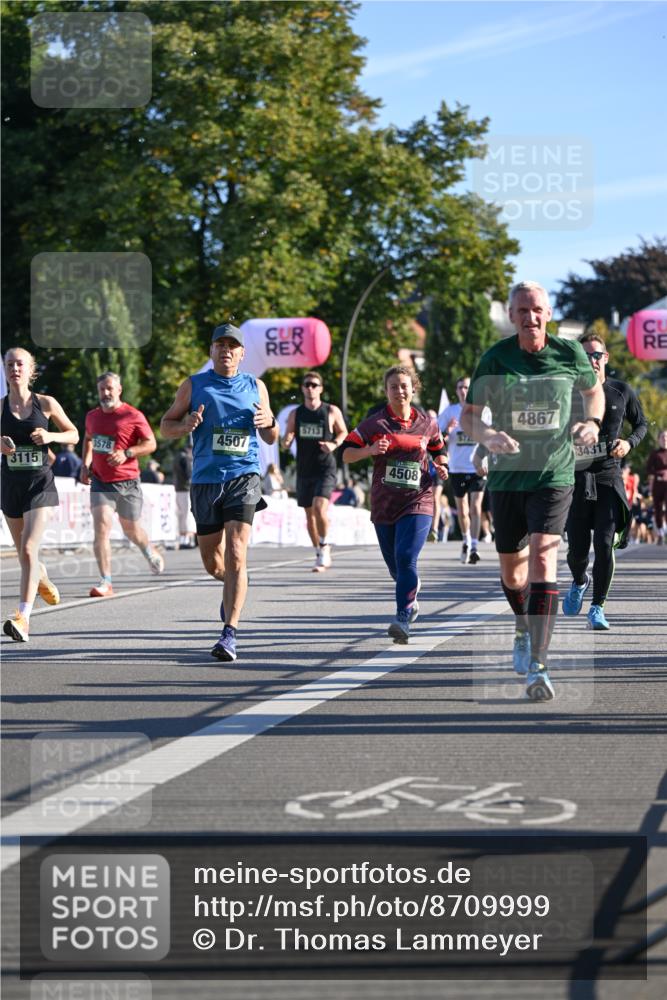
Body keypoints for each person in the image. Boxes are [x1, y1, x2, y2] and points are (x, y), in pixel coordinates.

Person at [461, 281, 604, 701]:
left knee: (544, 554)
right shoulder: (495, 358)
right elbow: (470, 416)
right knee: (512, 571)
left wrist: (592, 423)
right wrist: (487, 436)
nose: (531, 317)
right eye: (522, 310)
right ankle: (522, 626)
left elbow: (593, 392)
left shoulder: (569, 353)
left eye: (537, 309)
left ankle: (540, 664)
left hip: (554, 473)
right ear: (511, 315)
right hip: (507, 477)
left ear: (549, 312)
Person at [160, 322, 279, 661]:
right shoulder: (194, 386)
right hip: (205, 480)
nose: (226, 350)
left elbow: (271, 435)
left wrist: (268, 424)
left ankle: (230, 632)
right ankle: (232, 587)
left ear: (242, 354)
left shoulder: (257, 386)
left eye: (232, 346)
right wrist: (184, 426)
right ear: (211, 351)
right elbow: (166, 425)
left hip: (243, 477)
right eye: (219, 344)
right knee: (214, 563)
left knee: (237, 553)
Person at [342, 365, 448, 643]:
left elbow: (438, 449)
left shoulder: (428, 423)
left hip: (418, 500)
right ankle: (410, 590)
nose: (399, 391)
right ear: (386, 391)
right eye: (393, 387)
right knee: (396, 567)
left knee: (405, 558)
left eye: (404, 386)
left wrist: (443, 466)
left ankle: (403, 617)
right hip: (384, 504)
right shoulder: (375, 424)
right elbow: (346, 453)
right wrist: (369, 450)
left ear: (413, 388)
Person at [562, 334, 647, 629]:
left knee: (604, 543)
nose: (592, 361)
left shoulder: (621, 391)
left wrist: (629, 444)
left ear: (606, 358)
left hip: (609, 476)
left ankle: (597, 607)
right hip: (577, 477)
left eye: (596, 355)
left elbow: (642, 423)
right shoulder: (570, 394)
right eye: (585, 356)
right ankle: (578, 580)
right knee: (577, 550)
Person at [1, 347, 79, 641]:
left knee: (30, 548)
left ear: (30, 369)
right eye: (9, 364)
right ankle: (42, 577)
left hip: (39, 486)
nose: (14, 368)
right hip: (10, 486)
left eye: (20, 364)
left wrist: (51, 436)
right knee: (25, 553)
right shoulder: (0, 407)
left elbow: (73, 433)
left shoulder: (45, 403)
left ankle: (23, 618)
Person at [81, 371, 165, 598]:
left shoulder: (132, 415)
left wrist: (127, 452)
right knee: (101, 529)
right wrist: (84, 465)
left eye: (110, 388)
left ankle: (148, 550)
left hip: (128, 481)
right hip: (101, 481)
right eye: (102, 389)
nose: (106, 393)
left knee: (131, 529)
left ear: (119, 390)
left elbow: (151, 444)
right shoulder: (92, 416)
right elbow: (88, 440)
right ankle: (106, 581)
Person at [282, 371, 348, 572]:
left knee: (320, 507)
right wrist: (286, 441)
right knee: (309, 516)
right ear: (302, 388)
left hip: (325, 468)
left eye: (314, 385)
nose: (310, 388)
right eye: (307, 384)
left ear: (321, 388)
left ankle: (325, 545)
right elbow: (289, 434)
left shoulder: (330, 411)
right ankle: (319, 551)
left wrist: (334, 444)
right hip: (304, 469)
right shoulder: (296, 413)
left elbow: (343, 432)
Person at [439, 377, 488, 564]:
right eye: (460, 387)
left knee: (476, 507)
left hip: (477, 467)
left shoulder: (482, 411)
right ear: (456, 390)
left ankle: (474, 546)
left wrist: (486, 460)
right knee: (462, 510)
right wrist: (447, 431)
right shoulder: (449, 412)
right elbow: (437, 439)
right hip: (457, 467)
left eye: (467, 387)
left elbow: (490, 436)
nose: (463, 390)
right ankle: (466, 540)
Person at [172, 439, 196, 548]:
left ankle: (182, 539)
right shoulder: (186, 458)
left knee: (181, 514)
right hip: (186, 489)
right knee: (187, 514)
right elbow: (189, 474)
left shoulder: (177, 457)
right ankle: (187, 539)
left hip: (178, 488)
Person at [646, 429, 667, 545]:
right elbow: (648, 469)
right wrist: (657, 475)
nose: (665, 439)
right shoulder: (655, 454)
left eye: (666, 437)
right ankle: (660, 533)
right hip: (658, 484)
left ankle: (664, 530)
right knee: (658, 509)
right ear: (659, 439)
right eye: (662, 437)